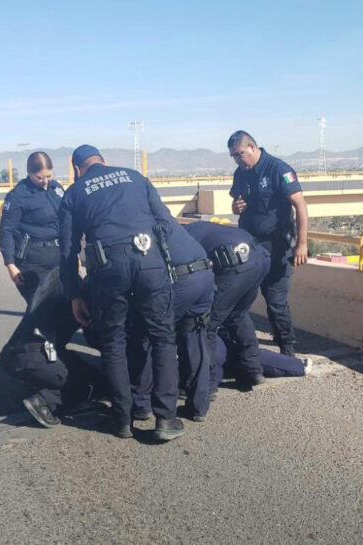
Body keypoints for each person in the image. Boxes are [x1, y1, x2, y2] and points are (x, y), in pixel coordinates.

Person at [58, 145, 184, 441]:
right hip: (148, 258)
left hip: (106, 268)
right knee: (162, 338)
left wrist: (74, 293)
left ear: (77, 168)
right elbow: (165, 222)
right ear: (104, 161)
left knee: (113, 342)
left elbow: (67, 250)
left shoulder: (74, 192)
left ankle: (122, 420)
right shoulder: (134, 177)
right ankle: (165, 419)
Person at [228, 131, 309, 357]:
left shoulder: (278, 169)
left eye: (240, 154)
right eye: (233, 156)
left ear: (253, 147)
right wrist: (236, 208)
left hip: (276, 246)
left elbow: (300, 206)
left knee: (275, 299)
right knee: (239, 295)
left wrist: (301, 244)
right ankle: (239, 346)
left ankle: (286, 348)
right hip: (250, 245)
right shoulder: (240, 173)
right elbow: (237, 202)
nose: (237, 160)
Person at [128, 216, 215, 422]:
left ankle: (142, 404)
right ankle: (198, 406)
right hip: (204, 276)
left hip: (178, 280)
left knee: (147, 335)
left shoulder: (133, 224)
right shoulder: (163, 218)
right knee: (195, 335)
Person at [0, 269, 108, 428]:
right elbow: (95, 341)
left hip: (12, 353)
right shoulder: (81, 298)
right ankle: (46, 401)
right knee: (95, 384)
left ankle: (41, 381)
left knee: (80, 367)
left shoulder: (52, 286)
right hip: (36, 356)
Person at [184, 221, 271, 397]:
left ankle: (207, 385)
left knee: (206, 324)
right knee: (237, 315)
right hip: (260, 257)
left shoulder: (180, 240)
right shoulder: (197, 228)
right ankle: (252, 370)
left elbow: (188, 279)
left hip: (236, 263)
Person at [0, 151, 64, 307]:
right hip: (32, 261)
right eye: (39, 178)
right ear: (29, 174)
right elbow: (6, 231)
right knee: (41, 308)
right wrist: (10, 265)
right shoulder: (18, 196)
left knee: (66, 306)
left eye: (49, 176)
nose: (45, 182)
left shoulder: (57, 189)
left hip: (58, 257)